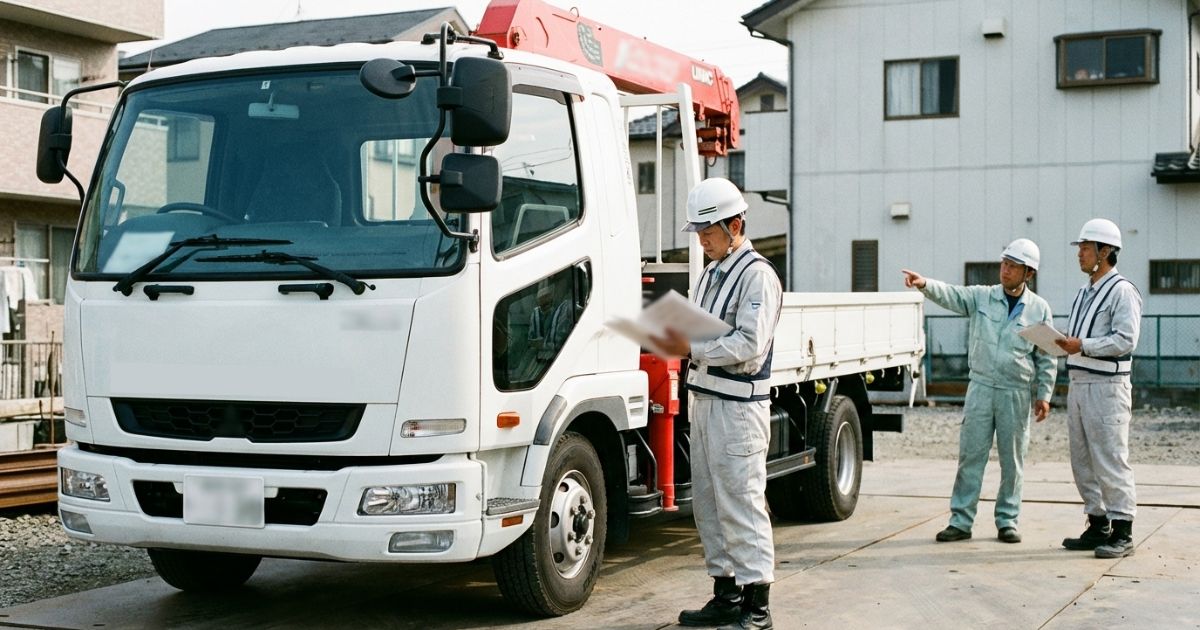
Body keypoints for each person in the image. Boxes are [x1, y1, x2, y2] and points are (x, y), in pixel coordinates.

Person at [652, 177, 781, 630]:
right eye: (700, 230)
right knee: (708, 503)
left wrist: (694, 348)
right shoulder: (710, 271)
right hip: (706, 401)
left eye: (710, 229)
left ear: (736, 224)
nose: (703, 238)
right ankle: (726, 595)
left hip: (738, 408)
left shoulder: (757, 275)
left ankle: (757, 607)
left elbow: (749, 342)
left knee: (742, 503)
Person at [901, 238, 1056, 545]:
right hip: (981, 387)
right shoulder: (982, 297)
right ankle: (960, 521)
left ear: (1029, 273)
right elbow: (953, 295)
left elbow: (1047, 356)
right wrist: (925, 285)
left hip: (1015, 392)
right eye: (1004, 263)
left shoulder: (1039, 309)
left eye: (1013, 266)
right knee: (971, 456)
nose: (1005, 270)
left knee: (1013, 461)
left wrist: (1044, 395)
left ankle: (1007, 521)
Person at [1055, 218, 1143, 559]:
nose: (1080, 254)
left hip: (1107, 386)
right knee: (1082, 460)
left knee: (1110, 457)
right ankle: (1097, 523)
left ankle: (1123, 529)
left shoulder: (1122, 291)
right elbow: (1079, 338)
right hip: (1079, 383)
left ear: (1105, 252)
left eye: (1086, 248)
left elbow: (1125, 339)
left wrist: (1084, 346)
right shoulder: (1083, 292)